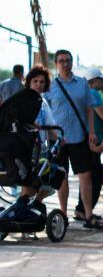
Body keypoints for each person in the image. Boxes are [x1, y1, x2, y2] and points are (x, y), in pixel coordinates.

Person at [46, 49, 103, 229]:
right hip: (59, 140)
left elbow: (90, 108)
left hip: (79, 136)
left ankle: (88, 214)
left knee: (85, 176)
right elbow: (45, 111)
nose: (65, 63)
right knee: (61, 177)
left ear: (72, 63)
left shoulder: (82, 84)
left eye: (68, 60)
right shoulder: (50, 86)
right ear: (56, 64)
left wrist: (92, 131)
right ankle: (63, 215)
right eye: (61, 61)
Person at [74, 67, 103, 221]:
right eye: (101, 80)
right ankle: (83, 210)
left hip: (89, 140)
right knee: (94, 177)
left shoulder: (90, 93)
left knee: (88, 176)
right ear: (95, 81)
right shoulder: (94, 93)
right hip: (93, 141)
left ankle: (82, 209)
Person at [19, 67, 59, 201]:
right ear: (29, 82)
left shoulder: (43, 103)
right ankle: (23, 211)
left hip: (41, 148)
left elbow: (50, 127)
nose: (38, 84)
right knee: (29, 183)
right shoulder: (23, 100)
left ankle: (32, 205)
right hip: (27, 147)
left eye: (42, 82)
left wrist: (60, 140)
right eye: (35, 81)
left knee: (55, 178)